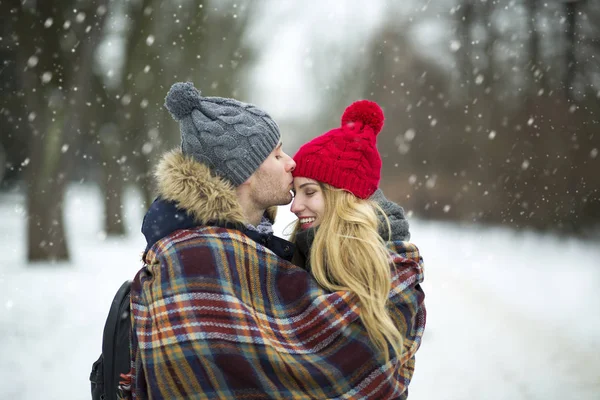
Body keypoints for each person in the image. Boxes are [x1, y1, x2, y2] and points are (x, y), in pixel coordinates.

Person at [125, 81, 423, 399]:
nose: (290, 162)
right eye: (277, 154)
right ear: (247, 171)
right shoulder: (197, 261)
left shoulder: (266, 251)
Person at [289, 99, 426, 397]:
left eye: (309, 191)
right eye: (294, 192)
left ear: (344, 196)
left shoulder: (386, 268)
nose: (295, 206)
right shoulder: (301, 253)